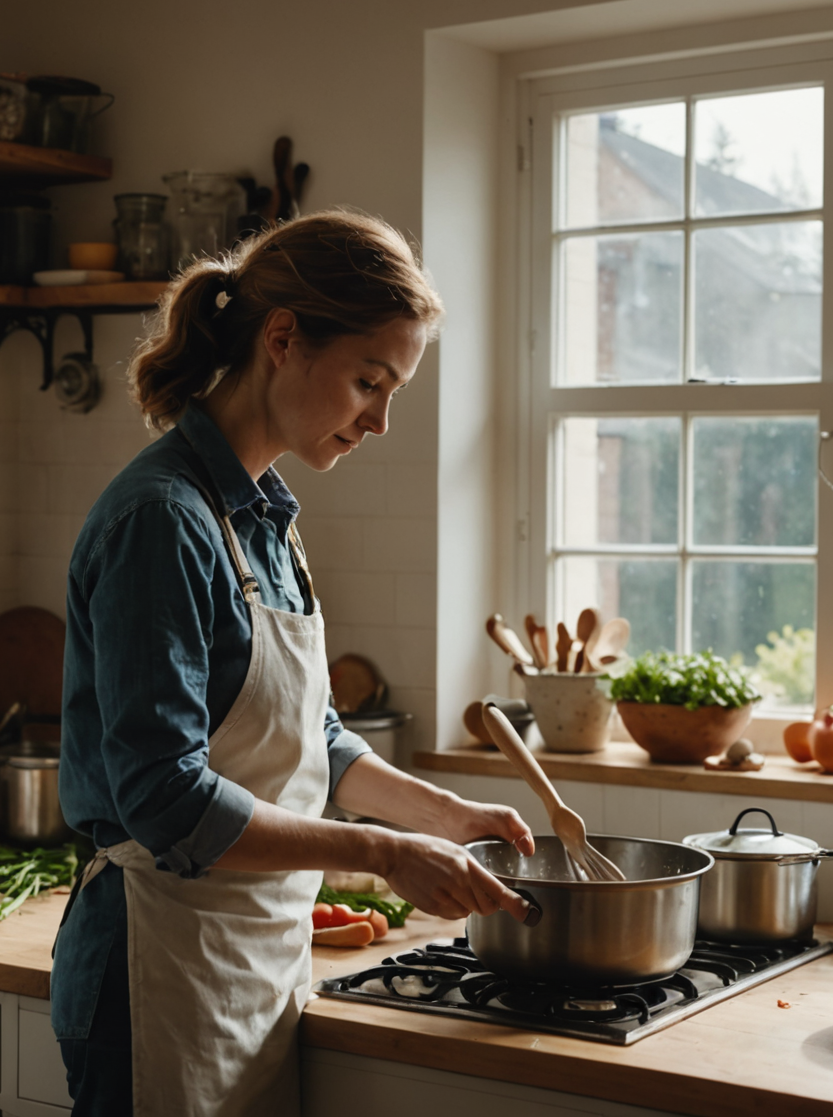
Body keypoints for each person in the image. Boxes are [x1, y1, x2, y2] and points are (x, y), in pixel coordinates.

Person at [52, 210, 535, 1115]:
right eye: (368, 381)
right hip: (154, 963)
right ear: (283, 340)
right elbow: (166, 799)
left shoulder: (266, 518)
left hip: (252, 962)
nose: (380, 420)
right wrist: (383, 851)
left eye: (393, 391)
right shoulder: (163, 522)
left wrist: (448, 816)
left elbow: (312, 737)